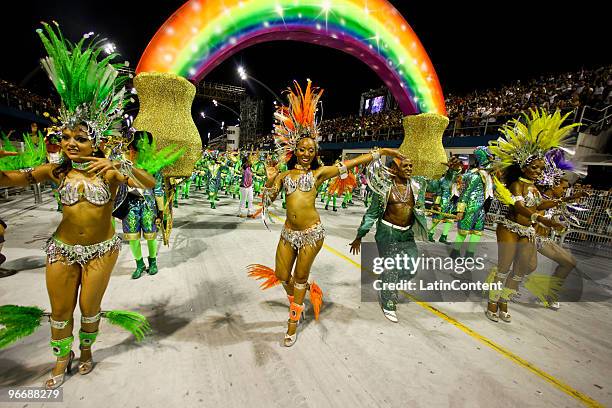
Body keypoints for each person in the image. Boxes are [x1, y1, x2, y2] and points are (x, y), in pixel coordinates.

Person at [0, 23, 165, 388]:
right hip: (61, 250)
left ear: (95, 142)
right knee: (60, 311)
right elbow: (13, 179)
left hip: (100, 252)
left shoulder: (108, 172)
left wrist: (121, 165)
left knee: (88, 308)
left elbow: (151, 185)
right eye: (66, 136)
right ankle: (62, 357)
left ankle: (87, 350)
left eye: (80, 137)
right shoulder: (57, 172)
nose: (71, 143)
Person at [247, 80, 403, 346]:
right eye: (302, 149)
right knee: (282, 276)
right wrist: (270, 180)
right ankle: (301, 295)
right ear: (294, 150)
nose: (306, 153)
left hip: (311, 234)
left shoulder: (319, 174)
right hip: (288, 233)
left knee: (299, 277)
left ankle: (292, 323)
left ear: (315, 152)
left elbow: (352, 163)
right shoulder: (284, 174)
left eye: (311, 150)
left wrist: (383, 152)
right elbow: (269, 198)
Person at [485, 108, 578, 323]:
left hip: (527, 231)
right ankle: (492, 302)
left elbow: (540, 204)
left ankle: (504, 302)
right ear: (525, 167)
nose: (538, 171)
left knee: (520, 270)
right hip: (509, 228)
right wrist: (541, 219)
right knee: (503, 268)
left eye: (541, 168)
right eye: (535, 167)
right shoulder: (517, 184)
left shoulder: (534, 188)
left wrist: (563, 200)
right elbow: (519, 209)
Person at [349, 158, 429, 322]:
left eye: (411, 166)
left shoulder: (416, 186)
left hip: (407, 234)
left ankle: (386, 281)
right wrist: (359, 236)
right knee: (391, 269)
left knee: (411, 269)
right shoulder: (384, 189)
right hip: (388, 232)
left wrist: (452, 172)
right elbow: (371, 215)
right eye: (405, 166)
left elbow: (440, 183)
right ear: (393, 168)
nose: (409, 169)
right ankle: (388, 302)